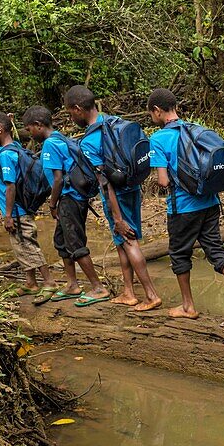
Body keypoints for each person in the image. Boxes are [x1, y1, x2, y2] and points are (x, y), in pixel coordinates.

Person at [146, 88, 224, 322]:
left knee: (179, 254)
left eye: (151, 114)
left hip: (183, 208)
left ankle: (188, 306)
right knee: (215, 249)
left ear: (157, 111)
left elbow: (163, 181)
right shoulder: (195, 129)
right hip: (210, 202)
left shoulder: (158, 139)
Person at [64, 85, 161, 311]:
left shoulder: (89, 141)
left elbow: (104, 182)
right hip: (132, 188)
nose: (71, 118)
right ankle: (129, 292)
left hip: (116, 195)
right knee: (122, 243)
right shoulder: (113, 121)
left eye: (70, 113)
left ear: (78, 109)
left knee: (128, 239)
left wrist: (117, 218)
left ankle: (151, 294)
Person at [21, 105, 110, 307]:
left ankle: (98, 288)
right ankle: (72, 284)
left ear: (38, 125)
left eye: (29, 129)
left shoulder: (50, 145)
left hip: (69, 199)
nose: (29, 134)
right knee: (61, 241)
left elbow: (58, 179)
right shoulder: (61, 138)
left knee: (75, 244)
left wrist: (52, 204)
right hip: (74, 197)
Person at [0, 111, 55, 297]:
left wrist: (8, 215)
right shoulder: (12, 147)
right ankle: (30, 283)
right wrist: (9, 122)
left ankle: (49, 282)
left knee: (28, 245)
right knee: (20, 246)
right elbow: (6, 135)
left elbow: (11, 186)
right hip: (19, 211)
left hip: (17, 212)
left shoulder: (6, 155)